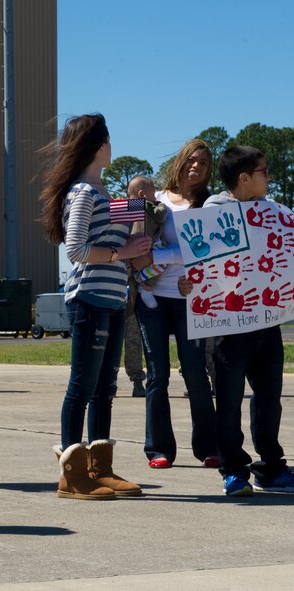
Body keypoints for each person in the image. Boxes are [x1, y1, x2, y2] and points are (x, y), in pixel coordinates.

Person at [39, 113, 151, 500]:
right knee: (82, 386)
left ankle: (99, 468)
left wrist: (139, 224)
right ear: (99, 145)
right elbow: (76, 250)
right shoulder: (83, 193)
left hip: (113, 299)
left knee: (105, 387)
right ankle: (72, 475)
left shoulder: (103, 192)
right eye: (108, 139)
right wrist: (123, 252)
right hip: (88, 298)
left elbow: (126, 240)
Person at [201, 146, 294, 496]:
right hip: (230, 325)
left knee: (270, 398)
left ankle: (271, 468)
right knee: (228, 399)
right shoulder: (214, 211)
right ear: (244, 178)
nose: (269, 176)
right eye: (263, 171)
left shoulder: (277, 212)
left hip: (268, 322)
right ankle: (233, 470)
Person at [132, 139, 219, 470]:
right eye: (192, 160)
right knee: (157, 374)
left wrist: (194, 280)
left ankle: (208, 448)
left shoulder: (209, 204)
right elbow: (139, 241)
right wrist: (146, 269)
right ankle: (159, 448)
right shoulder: (158, 200)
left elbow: (210, 252)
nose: (197, 166)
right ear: (181, 162)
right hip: (152, 300)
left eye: (204, 163)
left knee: (196, 374)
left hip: (190, 300)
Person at [122, 176, 159, 398]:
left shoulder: (156, 212)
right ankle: (136, 379)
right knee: (132, 335)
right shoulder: (128, 211)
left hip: (147, 280)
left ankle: (143, 379)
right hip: (131, 283)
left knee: (141, 336)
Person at [128, 176, 167, 309]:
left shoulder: (128, 207)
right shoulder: (147, 205)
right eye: (153, 191)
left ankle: (139, 279)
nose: (155, 195)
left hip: (131, 249)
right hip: (148, 245)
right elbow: (160, 216)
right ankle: (147, 287)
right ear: (142, 194)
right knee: (164, 258)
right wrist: (161, 205)